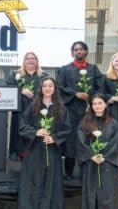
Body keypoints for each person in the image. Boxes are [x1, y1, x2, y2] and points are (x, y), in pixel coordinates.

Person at [18, 76, 71, 209]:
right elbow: (22, 125)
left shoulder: (61, 108)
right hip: (35, 150)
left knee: (52, 181)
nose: (47, 88)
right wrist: (35, 132)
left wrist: (54, 138)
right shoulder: (33, 106)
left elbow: (67, 129)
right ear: (41, 89)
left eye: (50, 86)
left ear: (55, 89)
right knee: (34, 180)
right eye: (45, 86)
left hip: (52, 151)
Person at [57, 41, 103, 179]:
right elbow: (60, 87)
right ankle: (69, 173)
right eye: (76, 49)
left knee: (89, 139)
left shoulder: (94, 69)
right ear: (72, 53)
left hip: (89, 111)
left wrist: (92, 99)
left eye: (81, 49)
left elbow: (100, 88)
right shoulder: (64, 69)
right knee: (71, 140)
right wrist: (75, 94)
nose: (78, 51)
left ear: (86, 51)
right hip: (70, 110)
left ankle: (87, 172)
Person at [77, 94, 118, 209]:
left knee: (107, 193)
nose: (97, 106)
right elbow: (81, 142)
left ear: (106, 104)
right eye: (94, 104)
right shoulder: (84, 123)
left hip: (107, 164)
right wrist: (91, 156)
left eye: (100, 103)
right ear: (91, 106)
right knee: (91, 193)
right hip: (90, 163)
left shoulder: (114, 124)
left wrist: (104, 157)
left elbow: (115, 143)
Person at [5, 52, 48, 161]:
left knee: (36, 131)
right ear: (24, 61)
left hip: (38, 111)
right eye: (27, 58)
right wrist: (21, 90)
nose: (30, 60)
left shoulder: (44, 76)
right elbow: (8, 89)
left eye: (33, 58)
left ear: (37, 61)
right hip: (20, 110)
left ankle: (35, 156)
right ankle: (19, 155)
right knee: (20, 133)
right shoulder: (15, 74)